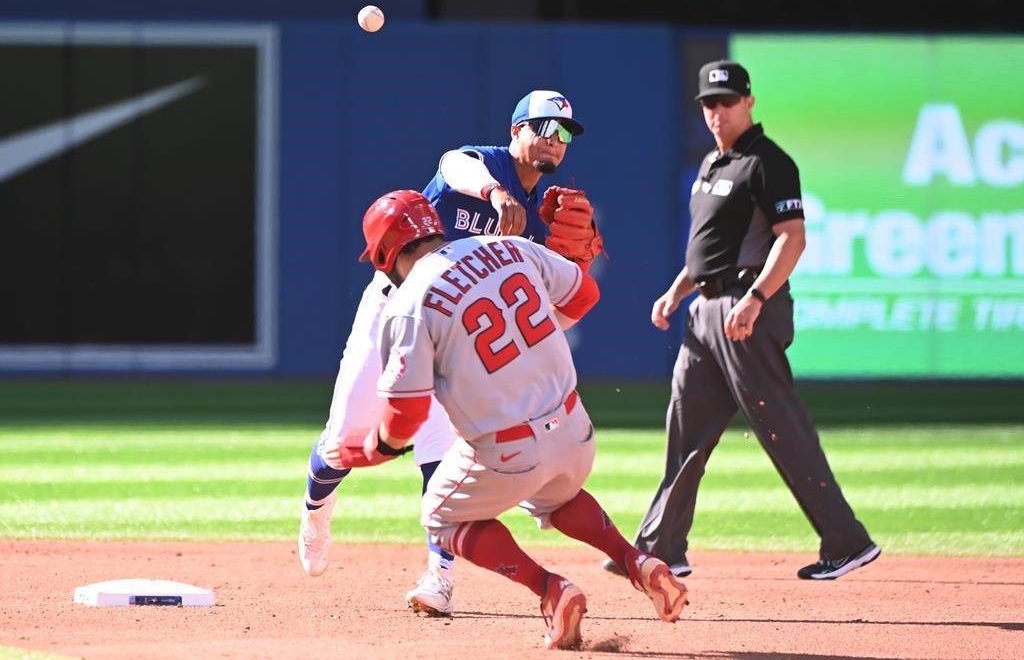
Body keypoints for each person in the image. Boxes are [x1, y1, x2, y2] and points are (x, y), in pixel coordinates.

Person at [330, 189, 687, 650]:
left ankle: (550, 590)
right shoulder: (506, 246)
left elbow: (409, 411)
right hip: (576, 432)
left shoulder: (409, 303)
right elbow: (585, 293)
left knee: (440, 517)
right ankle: (636, 561)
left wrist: (378, 448)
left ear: (383, 255)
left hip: (509, 452)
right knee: (556, 496)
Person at [299, 90, 601, 616]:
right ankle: (316, 508)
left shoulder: (539, 218)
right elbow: (451, 162)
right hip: (391, 309)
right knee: (344, 434)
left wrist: (574, 259)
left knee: (441, 448)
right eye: (543, 127)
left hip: (453, 331)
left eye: (565, 133)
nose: (554, 140)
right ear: (515, 132)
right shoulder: (485, 164)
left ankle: (438, 578)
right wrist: (495, 193)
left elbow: (549, 301)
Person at [605, 60, 880, 581]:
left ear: (749, 101)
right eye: (708, 103)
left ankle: (847, 541)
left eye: (726, 101)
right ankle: (662, 547)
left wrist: (755, 297)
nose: (717, 112)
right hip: (704, 311)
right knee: (684, 430)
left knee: (782, 429)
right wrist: (674, 291)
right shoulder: (712, 164)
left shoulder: (769, 162)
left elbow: (791, 237)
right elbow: (709, 251)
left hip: (747, 308)